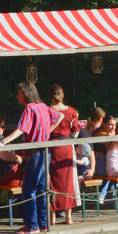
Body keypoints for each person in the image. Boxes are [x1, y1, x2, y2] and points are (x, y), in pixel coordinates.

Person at [0, 82, 63, 234]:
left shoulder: (30, 108)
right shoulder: (43, 106)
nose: (17, 96)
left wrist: (3, 141)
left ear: (26, 94)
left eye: (19, 93)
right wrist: (46, 133)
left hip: (36, 153)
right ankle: (43, 224)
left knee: (28, 189)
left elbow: (21, 129)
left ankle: (32, 226)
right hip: (45, 152)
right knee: (41, 190)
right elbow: (59, 116)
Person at [48, 85, 80, 225]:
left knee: (52, 180)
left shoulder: (48, 111)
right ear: (63, 95)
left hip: (52, 146)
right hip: (67, 145)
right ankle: (68, 216)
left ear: (50, 96)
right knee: (69, 180)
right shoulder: (71, 111)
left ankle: (53, 217)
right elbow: (76, 131)